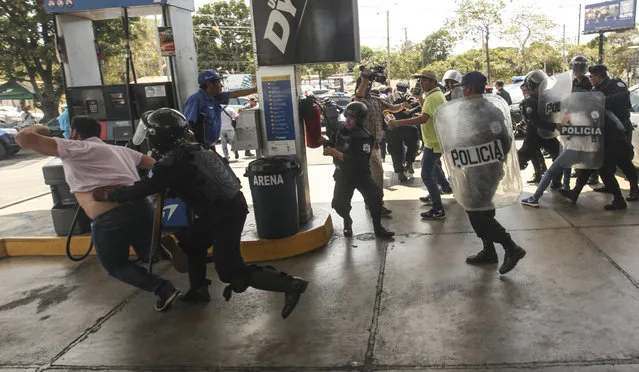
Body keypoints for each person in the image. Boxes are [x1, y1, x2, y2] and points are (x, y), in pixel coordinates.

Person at [95, 108, 308, 319]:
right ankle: (198, 289)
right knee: (191, 243)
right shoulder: (198, 148)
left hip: (222, 216)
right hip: (228, 207)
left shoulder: (169, 165)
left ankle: (290, 284)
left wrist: (110, 195)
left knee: (230, 270)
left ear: (156, 138)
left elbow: (143, 189)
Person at [15, 116, 185, 311]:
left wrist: (39, 127)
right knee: (146, 251)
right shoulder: (120, 150)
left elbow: (23, 139)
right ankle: (161, 246)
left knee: (116, 266)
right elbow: (156, 164)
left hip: (110, 216)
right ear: (99, 133)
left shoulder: (73, 146)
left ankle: (163, 288)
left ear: (75, 133)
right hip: (142, 207)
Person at [443, 71, 526, 274]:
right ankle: (489, 251)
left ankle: (511, 248)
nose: (462, 90)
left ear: (470, 88)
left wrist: (490, 162)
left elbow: (504, 142)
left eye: (464, 87)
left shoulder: (489, 111)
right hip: (472, 169)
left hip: (486, 171)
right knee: (483, 210)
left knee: (477, 214)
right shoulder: (466, 109)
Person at [560, 64, 638, 209]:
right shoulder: (594, 90)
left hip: (619, 129)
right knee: (593, 161)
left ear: (600, 75)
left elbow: (624, 97)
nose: (590, 79)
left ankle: (634, 189)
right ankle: (576, 192)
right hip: (603, 131)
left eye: (593, 76)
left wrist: (602, 100)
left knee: (623, 161)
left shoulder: (615, 84)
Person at [323, 102, 395, 239]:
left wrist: (335, 153)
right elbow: (337, 145)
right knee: (339, 204)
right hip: (343, 175)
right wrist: (326, 143)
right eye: (347, 117)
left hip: (361, 175)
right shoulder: (342, 131)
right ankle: (347, 221)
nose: (348, 120)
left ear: (360, 119)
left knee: (375, 197)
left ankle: (378, 228)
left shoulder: (364, 137)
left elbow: (359, 161)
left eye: (352, 118)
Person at [388, 70, 451, 220]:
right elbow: (426, 113)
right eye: (420, 80)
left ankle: (438, 208)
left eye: (425, 80)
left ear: (433, 82)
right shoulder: (433, 96)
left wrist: (397, 123)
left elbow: (423, 118)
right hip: (434, 141)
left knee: (426, 174)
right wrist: (419, 97)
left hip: (434, 143)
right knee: (433, 167)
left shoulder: (434, 97)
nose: (421, 83)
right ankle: (444, 188)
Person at [353, 68, 411, 216]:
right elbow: (359, 94)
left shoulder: (376, 100)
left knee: (373, 176)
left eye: (369, 84)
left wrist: (403, 105)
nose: (367, 87)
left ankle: (372, 202)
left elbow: (392, 108)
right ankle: (376, 204)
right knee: (376, 175)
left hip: (375, 146)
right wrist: (365, 78)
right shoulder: (357, 100)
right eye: (365, 85)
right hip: (364, 147)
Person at [183, 69, 256, 149]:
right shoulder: (196, 99)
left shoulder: (216, 97)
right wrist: (194, 147)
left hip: (210, 146)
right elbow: (187, 124)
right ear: (209, 84)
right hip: (200, 148)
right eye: (218, 82)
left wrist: (255, 89)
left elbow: (234, 94)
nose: (221, 86)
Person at [517, 70, 562, 186]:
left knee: (559, 156)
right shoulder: (530, 101)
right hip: (534, 136)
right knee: (520, 159)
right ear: (532, 87)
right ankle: (504, 175)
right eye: (540, 86)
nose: (543, 88)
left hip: (546, 134)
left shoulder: (544, 98)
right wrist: (555, 126)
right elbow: (536, 121)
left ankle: (556, 182)